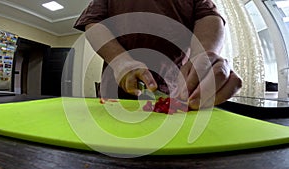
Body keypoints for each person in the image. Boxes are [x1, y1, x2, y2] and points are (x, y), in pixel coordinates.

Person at [74, 0, 242, 109]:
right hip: (114, 95)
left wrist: (204, 57)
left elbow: (209, 17)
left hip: (175, 94)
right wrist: (120, 61)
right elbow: (93, 21)